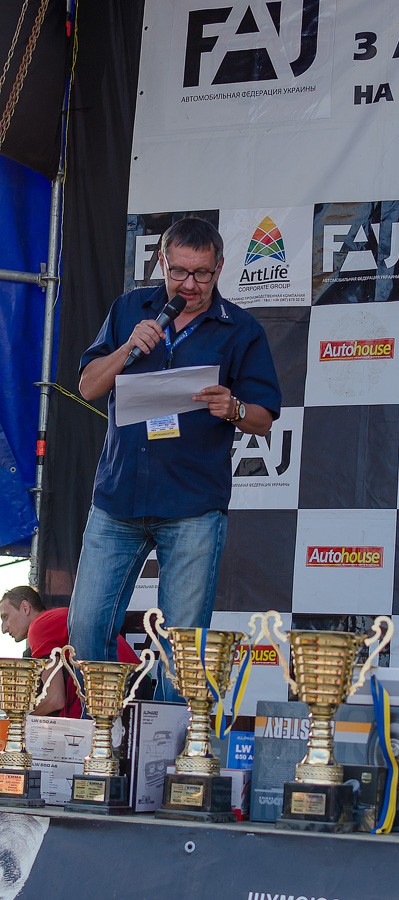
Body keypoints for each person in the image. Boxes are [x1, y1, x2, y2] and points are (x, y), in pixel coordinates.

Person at [67, 216, 281, 701]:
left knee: (181, 647)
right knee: (86, 627)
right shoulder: (129, 308)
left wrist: (234, 408)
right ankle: (106, 728)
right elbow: (88, 387)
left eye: (201, 273)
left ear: (219, 268)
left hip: (192, 506)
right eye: (179, 271)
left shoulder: (240, 329)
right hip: (118, 498)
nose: (189, 284)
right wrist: (128, 347)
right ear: (161, 262)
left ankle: (169, 742)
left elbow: (263, 417)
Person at [0, 586, 146, 717]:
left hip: (118, 686)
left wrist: (17, 719)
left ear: (25, 608)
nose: (4, 628)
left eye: (5, 617)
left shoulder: (39, 626)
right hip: (133, 684)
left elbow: (55, 699)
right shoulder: (56, 618)